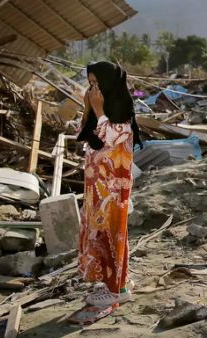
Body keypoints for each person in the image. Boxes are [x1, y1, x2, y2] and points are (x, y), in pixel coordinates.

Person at [76, 61, 142, 307]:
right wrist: (88, 108)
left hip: (113, 190)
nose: (94, 90)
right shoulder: (98, 110)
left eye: (97, 84)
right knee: (105, 234)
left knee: (112, 233)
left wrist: (99, 109)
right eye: (90, 84)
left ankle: (117, 290)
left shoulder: (121, 109)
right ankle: (118, 281)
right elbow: (85, 135)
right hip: (98, 189)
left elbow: (113, 137)